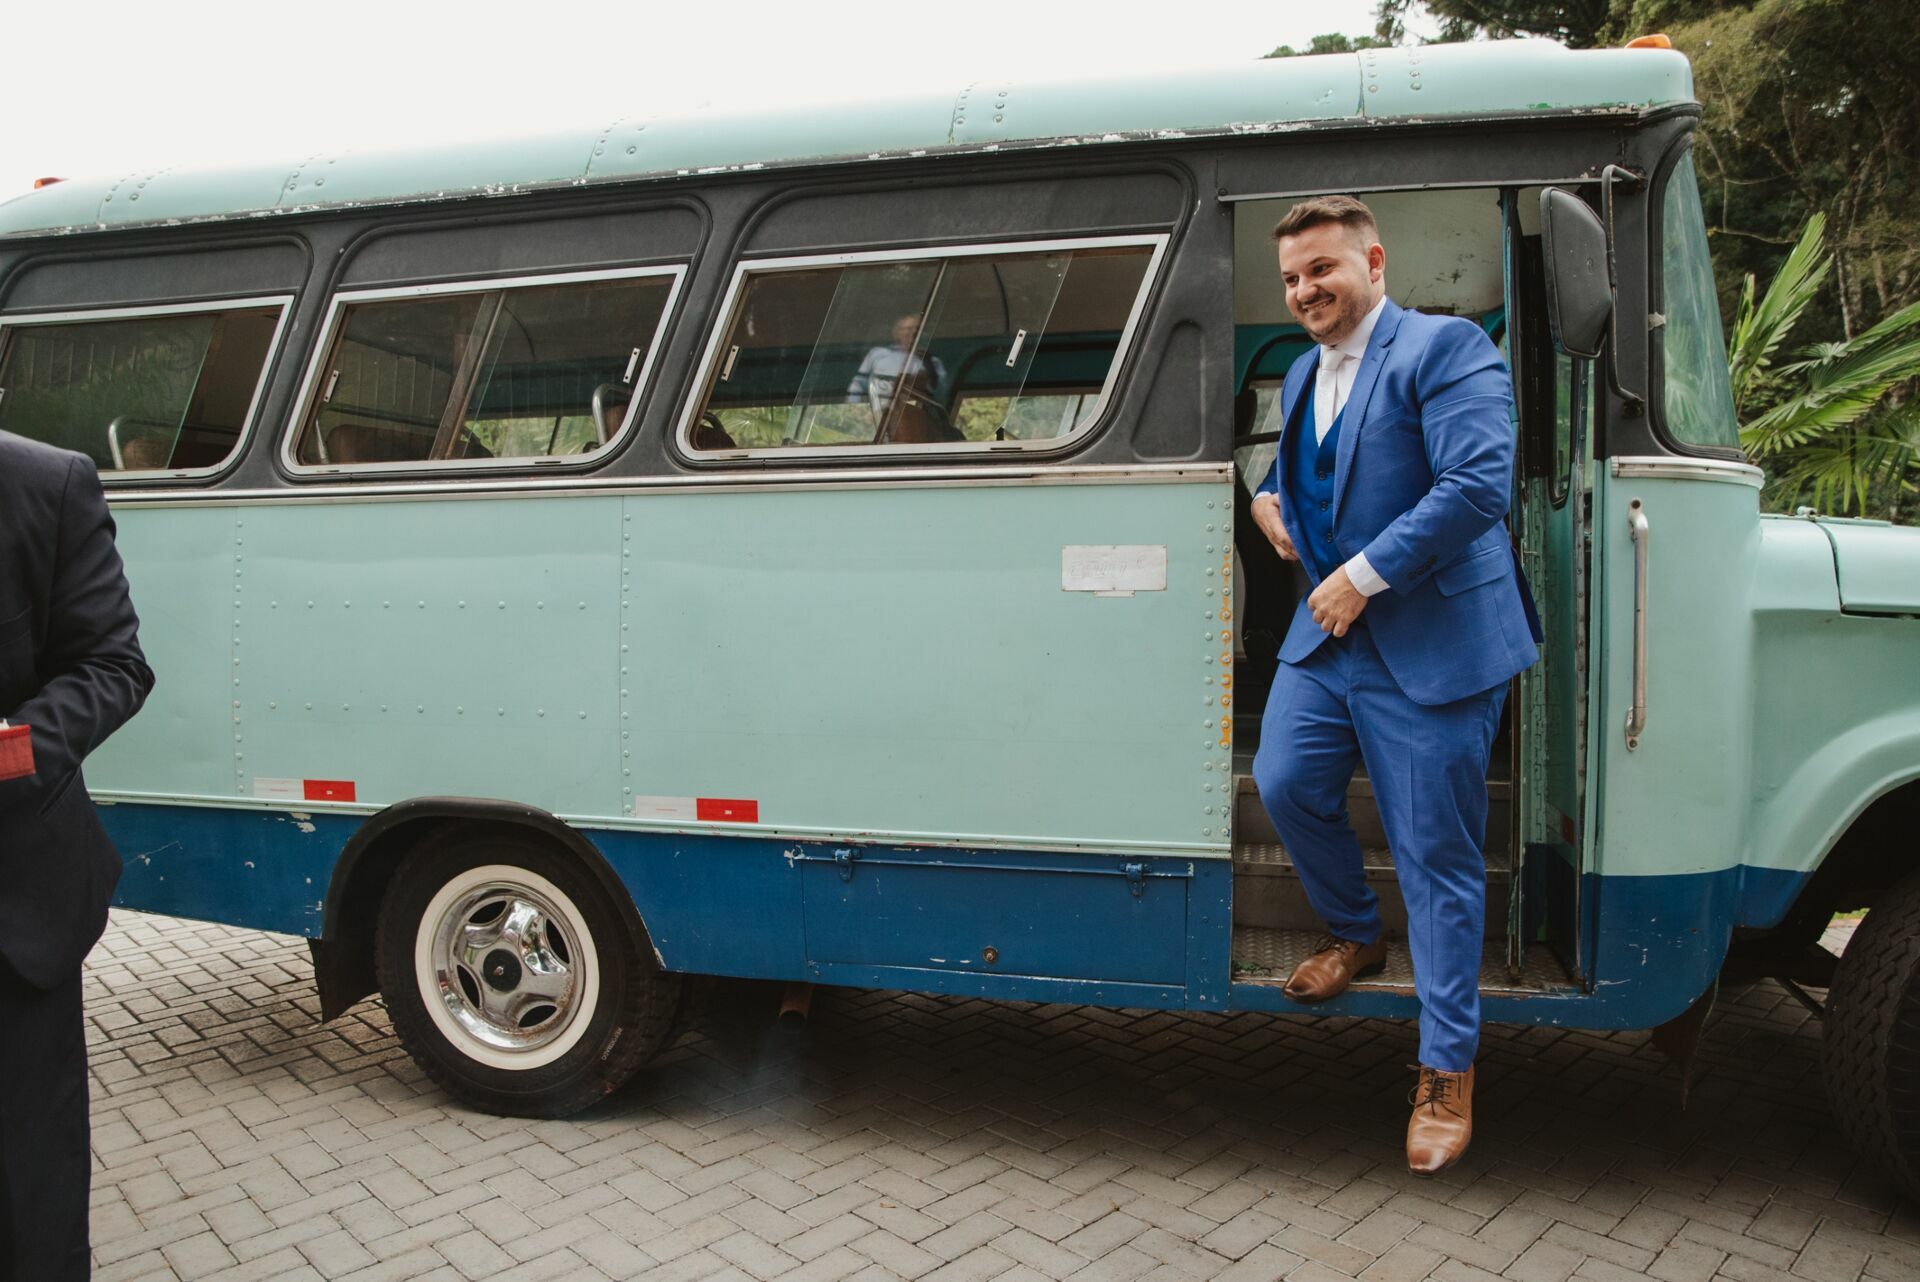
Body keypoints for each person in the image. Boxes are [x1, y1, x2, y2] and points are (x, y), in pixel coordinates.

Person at [1247, 196, 1538, 1176]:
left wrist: (1361, 575)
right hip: (1332, 642)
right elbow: (1298, 465)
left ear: (1372, 259)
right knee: (1285, 780)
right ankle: (1356, 934)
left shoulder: (1445, 347)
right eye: (1291, 278)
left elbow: (1475, 486)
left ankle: (1446, 1069)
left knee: (1434, 855)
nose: (1305, 291)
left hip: (1430, 637)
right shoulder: (1298, 369)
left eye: (1322, 269)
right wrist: (1266, 497)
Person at [0, 430, 154, 1278]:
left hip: (15, 916)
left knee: (31, 1200)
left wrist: (8, 751)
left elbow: (114, 665)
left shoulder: (45, 484)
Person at [846, 313, 947, 421]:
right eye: (907, 329)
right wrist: (854, 411)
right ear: (896, 332)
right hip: (878, 419)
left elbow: (941, 394)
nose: (911, 333)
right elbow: (858, 385)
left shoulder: (932, 361)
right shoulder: (877, 354)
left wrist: (928, 365)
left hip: (916, 421)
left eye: (916, 329)